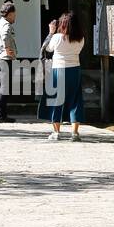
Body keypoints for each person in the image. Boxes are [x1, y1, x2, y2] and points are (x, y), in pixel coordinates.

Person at [44, 11, 85, 141]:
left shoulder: (57, 37)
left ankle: (56, 132)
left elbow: (47, 48)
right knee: (76, 100)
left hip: (59, 69)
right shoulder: (81, 38)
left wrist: (51, 32)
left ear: (62, 24)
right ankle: (75, 133)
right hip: (75, 69)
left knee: (57, 100)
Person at [0, 1, 17, 124]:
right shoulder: (6, 24)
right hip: (4, 58)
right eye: (14, 14)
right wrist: (7, 49)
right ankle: (0, 115)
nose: (15, 17)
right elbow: (6, 37)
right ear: (10, 14)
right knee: (5, 88)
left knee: (4, 87)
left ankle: (2, 114)